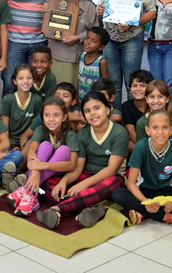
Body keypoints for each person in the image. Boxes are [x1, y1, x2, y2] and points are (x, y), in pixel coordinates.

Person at [36, 91, 128, 229]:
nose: (93, 113)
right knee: (49, 184)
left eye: (97, 108)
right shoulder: (83, 133)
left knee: (112, 185)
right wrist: (64, 181)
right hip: (85, 174)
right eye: (87, 111)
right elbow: (78, 168)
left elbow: (111, 169)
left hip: (110, 177)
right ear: (84, 115)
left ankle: (56, 210)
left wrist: (83, 185)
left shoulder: (119, 133)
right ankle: (89, 209)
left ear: (108, 109)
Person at [112, 110, 172, 231]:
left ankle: (143, 213)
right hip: (144, 193)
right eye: (155, 127)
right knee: (117, 194)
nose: (160, 132)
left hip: (167, 195)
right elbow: (131, 183)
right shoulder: (141, 146)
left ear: (171, 130)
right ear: (147, 130)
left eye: (164, 127)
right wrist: (145, 201)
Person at [97, 0, 157, 108]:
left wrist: (133, 24)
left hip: (132, 39)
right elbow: (101, 7)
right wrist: (100, 9)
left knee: (133, 85)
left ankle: (132, 123)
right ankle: (116, 121)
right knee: (113, 85)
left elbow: (152, 12)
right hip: (110, 39)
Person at [7, 97, 79, 216]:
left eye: (56, 115)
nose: (51, 119)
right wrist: (35, 171)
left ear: (64, 117)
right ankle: (32, 196)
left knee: (64, 150)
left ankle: (27, 191)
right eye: (47, 115)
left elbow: (71, 165)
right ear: (42, 117)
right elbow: (31, 150)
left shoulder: (70, 135)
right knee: (45, 145)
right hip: (40, 169)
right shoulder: (40, 129)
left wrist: (42, 165)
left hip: (58, 169)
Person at [46, 0, 99, 86]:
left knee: (77, 93)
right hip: (59, 55)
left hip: (81, 57)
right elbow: (48, 27)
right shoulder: (56, 4)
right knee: (60, 91)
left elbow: (94, 31)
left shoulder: (89, 6)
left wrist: (78, 38)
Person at [0, 63, 43, 150]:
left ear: (33, 80)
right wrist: (7, 148)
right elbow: (4, 129)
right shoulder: (8, 99)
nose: (25, 81)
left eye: (29, 78)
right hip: (10, 143)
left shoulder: (37, 100)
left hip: (28, 142)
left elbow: (33, 129)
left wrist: (24, 145)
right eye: (21, 78)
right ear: (15, 81)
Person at [121, 69, 154, 152]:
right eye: (134, 86)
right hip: (138, 145)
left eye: (143, 86)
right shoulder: (126, 106)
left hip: (156, 142)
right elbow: (131, 132)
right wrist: (147, 150)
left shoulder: (154, 105)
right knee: (128, 145)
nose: (138, 89)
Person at [77, 27, 109, 101]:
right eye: (87, 38)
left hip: (95, 100)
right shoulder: (81, 55)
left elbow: (105, 85)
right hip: (81, 99)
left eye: (93, 41)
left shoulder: (101, 61)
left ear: (101, 47)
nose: (88, 42)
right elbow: (79, 79)